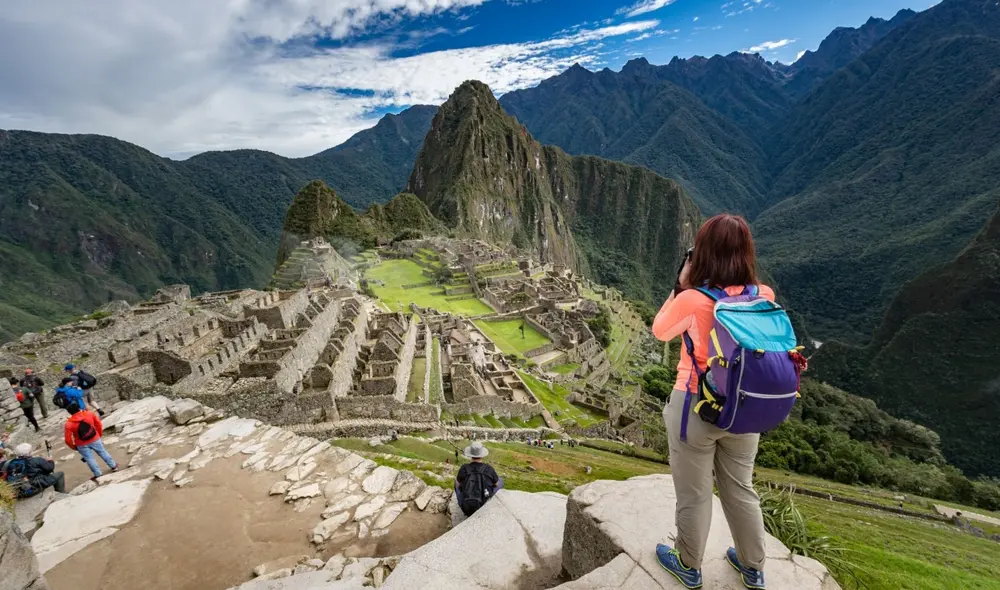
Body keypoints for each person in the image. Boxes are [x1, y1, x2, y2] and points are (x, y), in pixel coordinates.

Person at [650, 214, 771, 590]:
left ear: (700, 254)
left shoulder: (693, 300)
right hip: (745, 410)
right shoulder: (763, 296)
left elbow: (660, 331)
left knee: (694, 492)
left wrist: (681, 283)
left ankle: (689, 564)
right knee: (741, 488)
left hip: (695, 407)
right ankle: (753, 566)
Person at [64, 402, 118, 482]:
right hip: (94, 438)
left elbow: (67, 440)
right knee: (102, 452)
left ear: (70, 412)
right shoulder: (90, 414)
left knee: (89, 459)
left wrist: (74, 447)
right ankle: (113, 466)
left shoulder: (69, 424)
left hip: (81, 443)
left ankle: (98, 474)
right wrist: (99, 435)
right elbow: (98, 424)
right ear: (79, 408)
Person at [455, 441, 503, 517]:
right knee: (500, 481)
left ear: (470, 455)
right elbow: (496, 484)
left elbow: (457, 485)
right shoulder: (489, 469)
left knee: (456, 481)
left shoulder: (464, 468)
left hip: (466, 508)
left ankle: (462, 501)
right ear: (482, 455)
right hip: (482, 507)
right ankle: (489, 500)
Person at [1, 443, 65, 496]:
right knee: (60, 474)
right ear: (29, 452)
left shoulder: (7, 463)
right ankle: (61, 494)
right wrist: (50, 460)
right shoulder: (36, 460)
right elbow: (50, 468)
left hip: (17, 491)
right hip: (32, 488)